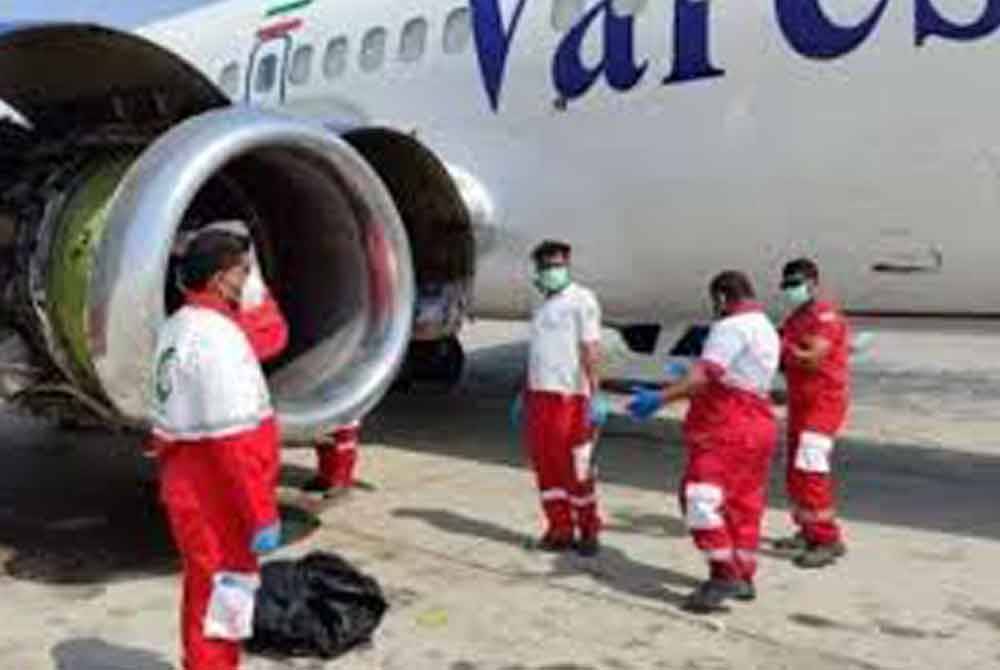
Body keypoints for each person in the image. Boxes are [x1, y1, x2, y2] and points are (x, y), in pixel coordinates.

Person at [148, 230, 283, 670]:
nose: (247, 281)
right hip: (219, 498)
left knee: (204, 590)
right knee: (224, 603)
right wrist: (261, 513)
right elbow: (235, 443)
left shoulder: (179, 326)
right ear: (222, 277)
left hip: (189, 484)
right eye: (244, 271)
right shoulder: (217, 339)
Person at [628, 271, 780, 613]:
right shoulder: (765, 326)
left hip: (728, 426)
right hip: (759, 422)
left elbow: (705, 377)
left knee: (699, 497)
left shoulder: (729, 327)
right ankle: (743, 575)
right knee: (743, 504)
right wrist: (687, 374)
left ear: (722, 299)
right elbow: (733, 373)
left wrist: (661, 397)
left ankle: (722, 573)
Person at [514, 239, 609, 557]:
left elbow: (590, 349)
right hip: (538, 396)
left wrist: (596, 393)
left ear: (567, 265)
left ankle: (589, 530)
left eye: (558, 265)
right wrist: (523, 391)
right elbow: (537, 352)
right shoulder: (539, 304)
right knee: (546, 466)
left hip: (570, 397)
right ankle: (559, 529)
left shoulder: (582, 300)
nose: (553, 271)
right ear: (538, 269)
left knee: (576, 469)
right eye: (547, 266)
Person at [774, 258, 850, 568]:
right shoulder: (795, 318)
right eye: (787, 285)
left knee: (810, 466)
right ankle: (807, 529)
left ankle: (828, 539)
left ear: (812, 283)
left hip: (824, 403)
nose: (791, 290)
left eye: (796, 283)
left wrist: (782, 347)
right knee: (795, 469)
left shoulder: (824, 316)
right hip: (801, 401)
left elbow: (812, 359)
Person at [303, 419, 363, 496]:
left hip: (345, 419)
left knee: (342, 449)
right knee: (324, 447)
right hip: (327, 418)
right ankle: (325, 479)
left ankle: (341, 482)